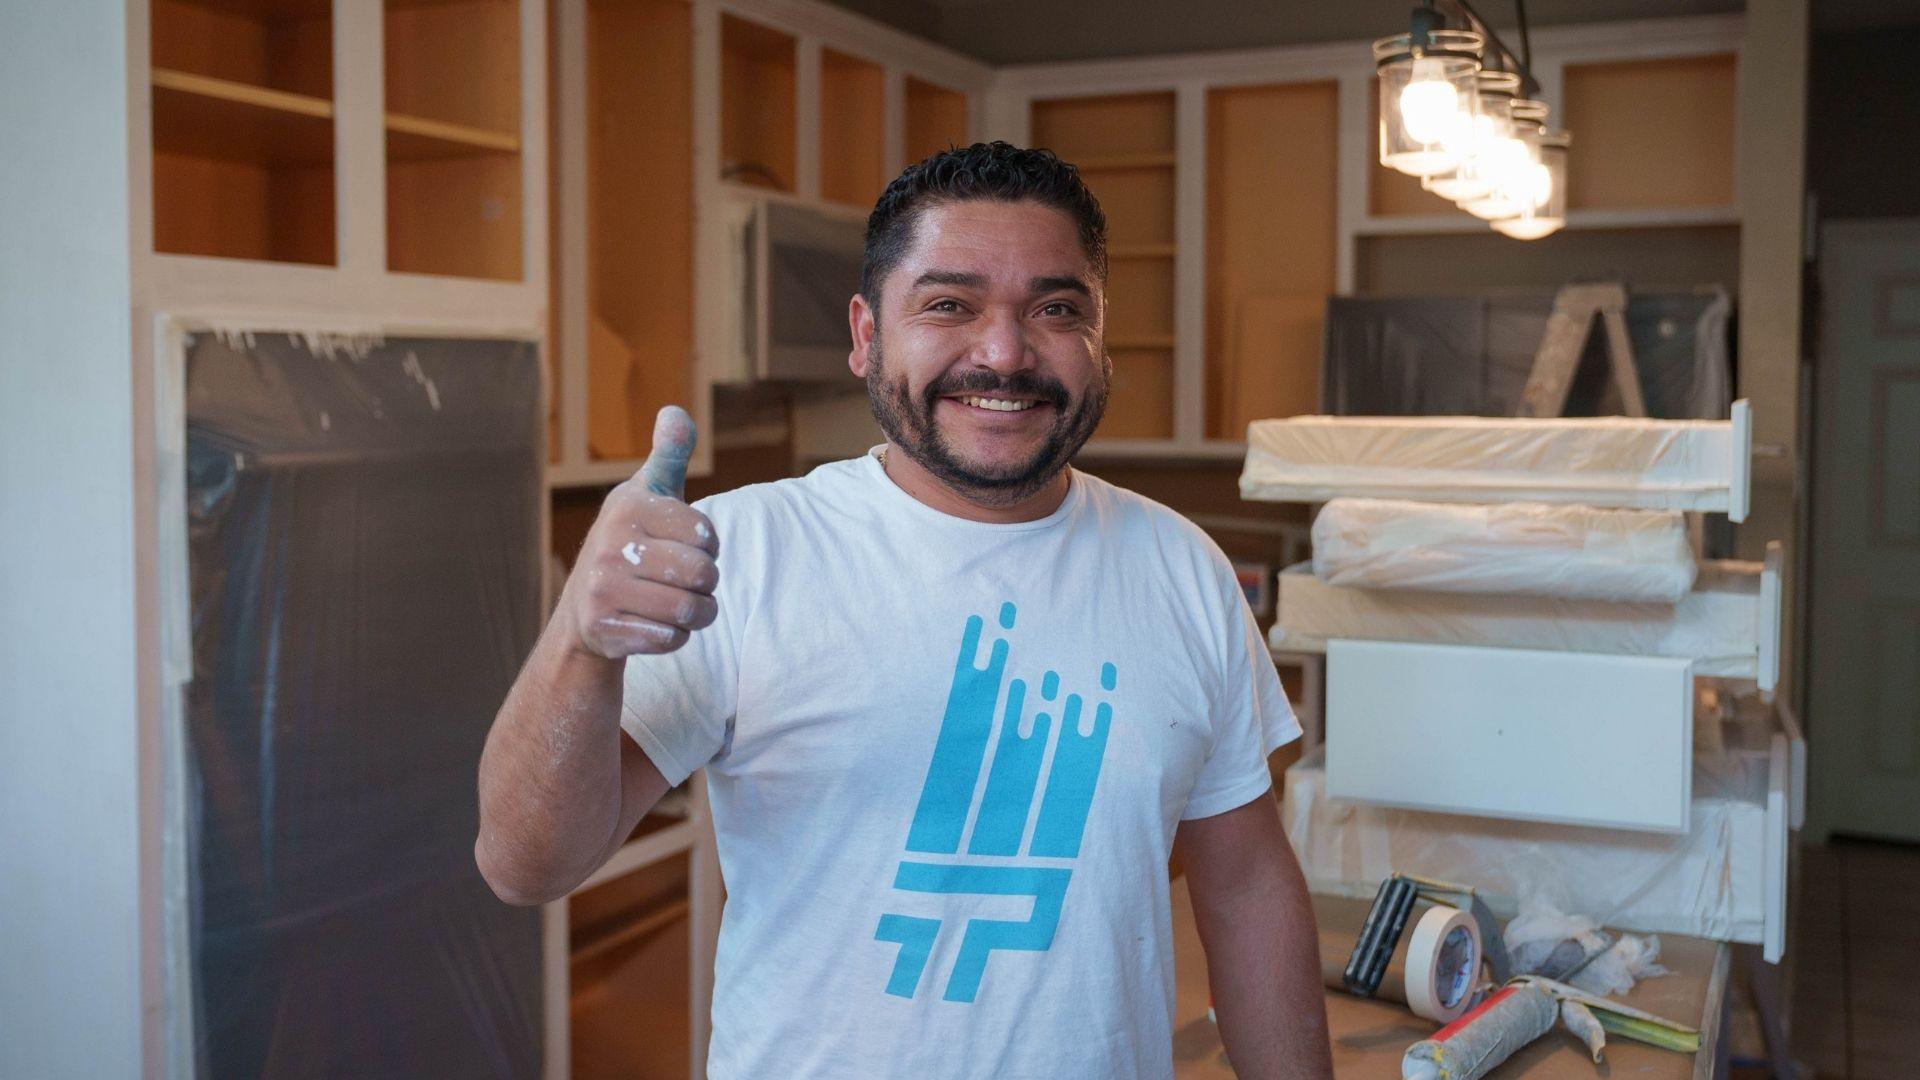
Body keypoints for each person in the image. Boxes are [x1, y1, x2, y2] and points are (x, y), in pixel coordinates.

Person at [476, 141, 1333, 1078]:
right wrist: (580, 641)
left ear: (1100, 337)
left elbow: (1247, 888)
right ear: (866, 333)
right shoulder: (741, 555)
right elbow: (526, 864)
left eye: (1055, 308)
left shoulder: (1184, 570)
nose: (1004, 353)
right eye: (948, 305)